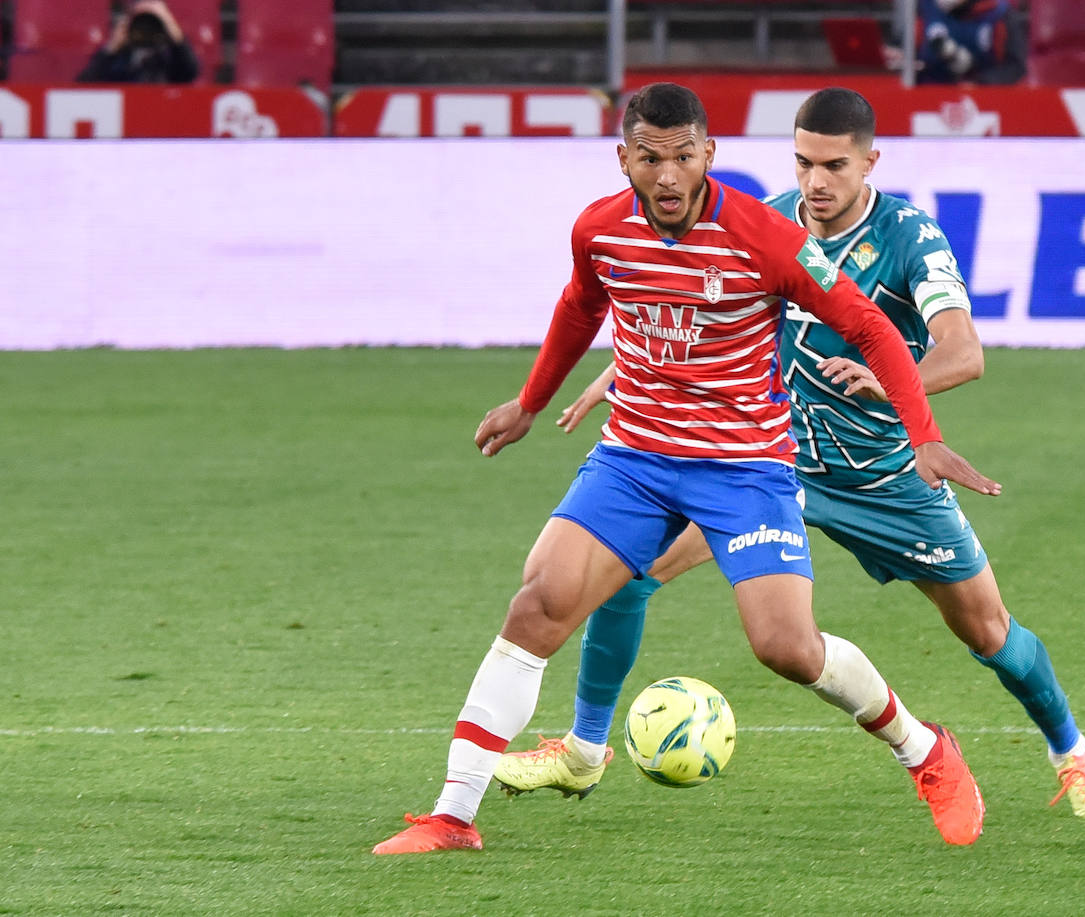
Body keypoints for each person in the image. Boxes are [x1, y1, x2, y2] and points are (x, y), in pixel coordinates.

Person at [373, 82, 1002, 855]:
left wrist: (924, 433)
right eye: (648, 158)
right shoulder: (600, 229)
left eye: (681, 157)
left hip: (743, 467)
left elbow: (868, 325)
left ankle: (925, 749)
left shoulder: (765, 238)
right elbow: (581, 305)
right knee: (537, 605)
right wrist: (531, 401)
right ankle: (453, 814)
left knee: (786, 647)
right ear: (624, 159)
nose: (666, 176)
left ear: (709, 154)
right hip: (634, 456)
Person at [494, 87, 1085, 821]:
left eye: (834, 165)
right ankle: (584, 749)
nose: (815, 182)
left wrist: (892, 385)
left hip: (883, 475)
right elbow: (691, 313)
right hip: (770, 468)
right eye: (802, 163)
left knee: (989, 631)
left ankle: (1071, 751)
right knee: (628, 577)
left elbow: (964, 352)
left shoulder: (909, 238)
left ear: (869, 162)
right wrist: (618, 373)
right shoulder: (763, 227)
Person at [78, 1, 200, 85]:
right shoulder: (117, 59)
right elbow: (84, 87)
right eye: (141, 22)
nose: (145, 29)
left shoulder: (169, 59)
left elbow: (191, 71)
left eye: (151, 24)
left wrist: (169, 24)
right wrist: (111, 48)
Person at [914, 0, 1027, 85]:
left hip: (983, 99)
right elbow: (908, 55)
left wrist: (979, 82)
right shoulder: (924, 8)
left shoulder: (1001, 15)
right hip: (929, 93)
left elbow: (1015, 68)